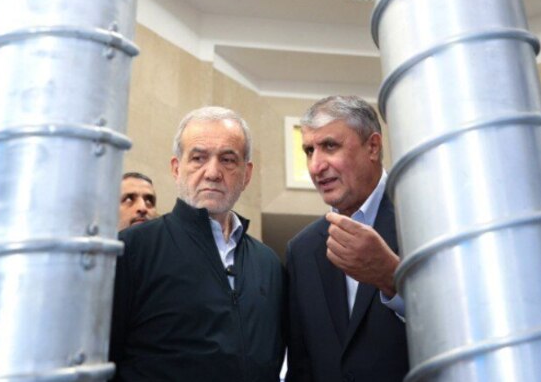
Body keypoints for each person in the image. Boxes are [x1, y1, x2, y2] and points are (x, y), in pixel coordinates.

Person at [110, 106, 284, 381]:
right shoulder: (131, 249)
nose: (212, 172)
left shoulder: (269, 264)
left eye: (228, 160)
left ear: (246, 174)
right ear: (176, 168)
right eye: (198, 158)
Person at [285, 96, 408, 382]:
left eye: (330, 146)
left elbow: (469, 325)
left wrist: (392, 278)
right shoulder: (301, 250)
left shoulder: (428, 218)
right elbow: (302, 368)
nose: (316, 166)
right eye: (308, 150)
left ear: (373, 146)